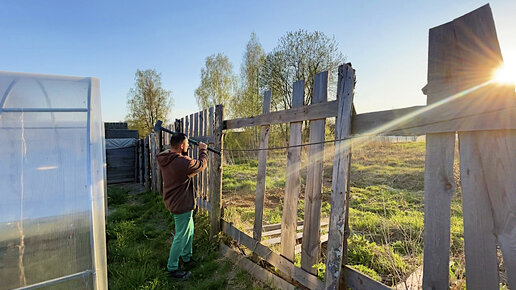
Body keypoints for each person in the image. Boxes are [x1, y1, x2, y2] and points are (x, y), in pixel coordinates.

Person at [156, 132, 208, 280]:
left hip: (175, 201)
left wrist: (183, 147)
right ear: (181, 146)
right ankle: (172, 268)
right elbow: (201, 164)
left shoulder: (166, 157)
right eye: (186, 144)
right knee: (180, 235)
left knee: (189, 230)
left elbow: (173, 151)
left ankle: (187, 258)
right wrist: (203, 150)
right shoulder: (181, 163)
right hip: (181, 204)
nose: (188, 146)